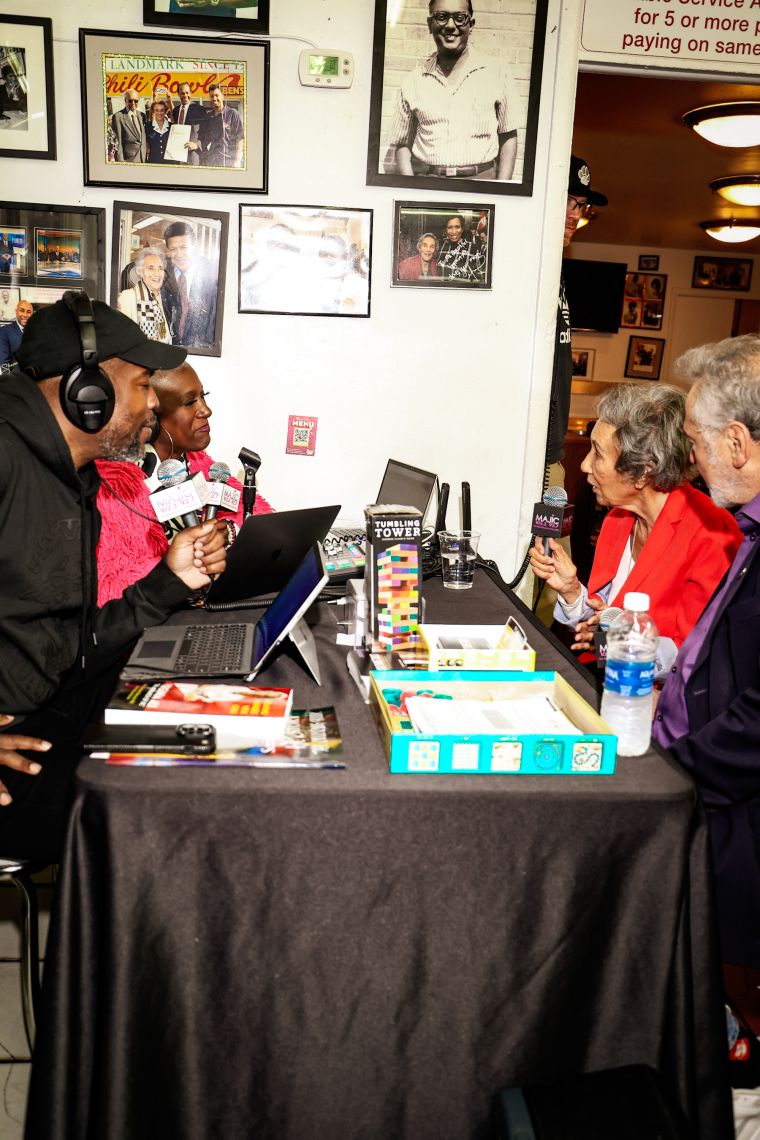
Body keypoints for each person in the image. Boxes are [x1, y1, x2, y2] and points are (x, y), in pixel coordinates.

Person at [0, 296, 227, 861]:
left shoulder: (73, 477)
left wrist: (171, 582)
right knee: (177, 816)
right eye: (144, 384)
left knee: (209, 741)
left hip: (55, 700)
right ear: (87, 388)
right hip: (15, 754)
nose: (154, 404)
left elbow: (74, 639)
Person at [652, 335, 760, 970]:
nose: (690, 461)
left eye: (695, 440)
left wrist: (673, 774)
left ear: (739, 443)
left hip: (722, 809)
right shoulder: (746, 525)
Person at [529, 383, 741, 674]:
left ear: (642, 471)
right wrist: (572, 591)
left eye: (598, 453)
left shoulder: (713, 534)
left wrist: (619, 634)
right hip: (602, 678)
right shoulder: (618, 518)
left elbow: (697, 658)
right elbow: (601, 622)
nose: (585, 465)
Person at [96, 361, 272, 604]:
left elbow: (260, 513)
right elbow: (109, 585)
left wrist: (226, 533)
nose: (206, 410)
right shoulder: (115, 488)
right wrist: (178, 567)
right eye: (190, 402)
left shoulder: (199, 463)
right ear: (152, 417)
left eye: (203, 396)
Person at [534, 155, 609, 626]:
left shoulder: (556, 273)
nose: (573, 214)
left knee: (547, 580)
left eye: (579, 204)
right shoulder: (534, 270)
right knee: (539, 575)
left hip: (550, 459)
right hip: (538, 459)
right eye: (566, 200)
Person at [385, 0, 520, 180]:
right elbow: (401, 144)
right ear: (430, 24)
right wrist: (410, 188)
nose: (450, 26)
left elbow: (508, 136)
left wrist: (503, 189)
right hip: (428, 183)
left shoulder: (497, 72)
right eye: (441, 17)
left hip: (481, 182)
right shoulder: (413, 81)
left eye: (459, 18)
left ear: (470, 25)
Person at [161, 220, 217, 349]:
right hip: (170, 350)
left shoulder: (212, 274)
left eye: (184, 247)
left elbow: (215, 318)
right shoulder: (162, 275)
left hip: (202, 348)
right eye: (173, 249)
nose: (179, 254)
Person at [116, 245, 173, 343]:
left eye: (160, 268)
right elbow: (119, 339)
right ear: (140, 271)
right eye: (151, 268)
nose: (157, 273)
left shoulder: (164, 300)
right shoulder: (127, 297)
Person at [198, 83, 244, 168]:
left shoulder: (232, 114)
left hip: (228, 162)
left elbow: (240, 138)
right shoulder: (208, 117)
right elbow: (203, 140)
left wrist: (237, 161)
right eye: (212, 96)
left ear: (222, 96)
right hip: (211, 162)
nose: (214, 98)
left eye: (217, 95)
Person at [437, 213, 485, 283]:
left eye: (457, 227)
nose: (454, 232)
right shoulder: (440, 247)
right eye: (450, 227)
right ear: (445, 230)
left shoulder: (473, 248)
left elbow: (480, 280)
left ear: (462, 229)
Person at [169, 81, 205, 165]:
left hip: (192, 155)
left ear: (191, 93)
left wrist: (197, 145)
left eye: (187, 93)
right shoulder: (176, 110)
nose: (185, 95)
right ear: (178, 95)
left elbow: (207, 132)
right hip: (177, 156)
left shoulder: (200, 110)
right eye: (182, 93)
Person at [112, 89, 148, 162]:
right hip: (128, 160)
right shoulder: (118, 116)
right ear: (125, 100)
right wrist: (121, 162)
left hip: (143, 159)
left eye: (136, 101)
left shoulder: (142, 115)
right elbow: (118, 142)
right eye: (130, 100)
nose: (133, 103)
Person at [0, 298, 32, 365]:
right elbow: (3, 363)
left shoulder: (36, 331)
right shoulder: (5, 331)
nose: (25, 315)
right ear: (16, 311)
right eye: (22, 311)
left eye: (28, 312)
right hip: (16, 375)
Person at [145, 97, 172, 163]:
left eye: (162, 110)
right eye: (157, 110)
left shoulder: (172, 126)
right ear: (153, 111)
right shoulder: (147, 126)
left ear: (165, 111)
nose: (159, 113)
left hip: (170, 163)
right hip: (153, 163)